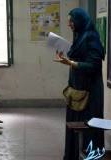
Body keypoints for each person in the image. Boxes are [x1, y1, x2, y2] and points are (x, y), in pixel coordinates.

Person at [54, 8, 105, 160]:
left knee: (89, 127)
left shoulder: (91, 37)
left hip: (90, 92)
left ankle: (90, 156)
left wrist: (71, 62)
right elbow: (77, 54)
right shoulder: (80, 36)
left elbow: (93, 65)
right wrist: (66, 56)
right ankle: (72, 155)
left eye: (71, 21)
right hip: (76, 89)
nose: (69, 24)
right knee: (74, 125)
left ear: (80, 21)